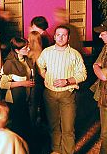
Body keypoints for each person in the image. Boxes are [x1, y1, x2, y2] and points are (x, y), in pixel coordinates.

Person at [37, 25, 87, 154]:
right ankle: (56, 150)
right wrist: (45, 76)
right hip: (49, 94)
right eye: (58, 34)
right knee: (53, 126)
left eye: (64, 35)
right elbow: (39, 66)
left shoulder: (74, 54)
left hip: (67, 95)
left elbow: (83, 74)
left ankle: (67, 152)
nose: (60, 37)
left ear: (68, 38)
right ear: (54, 36)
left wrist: (67, 81)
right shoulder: (46, 52)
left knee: (68, 128)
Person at [0, 37, 35, 142]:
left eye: (27, 47)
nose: (28, 49)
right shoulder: (10, 63)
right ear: (17, 50)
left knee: (26, 128)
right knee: (18, 127)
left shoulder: (27, 60)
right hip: (15, 100)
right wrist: (23, 83)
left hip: (26, 98)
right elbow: (3, 84)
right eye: (25, 48)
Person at [91, 20, 107, 154]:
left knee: (106, 135)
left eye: (103, 33)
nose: (99, 36)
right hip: (104, 97)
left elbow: (103, 75)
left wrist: (96, 67)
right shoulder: (106, 47)